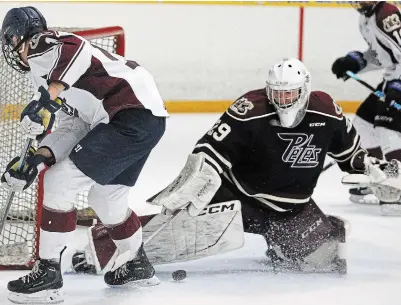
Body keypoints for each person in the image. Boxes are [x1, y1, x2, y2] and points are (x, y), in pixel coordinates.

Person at [74, 58, 400, 278]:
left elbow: (351, 154)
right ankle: (102, 250)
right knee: (180, 230)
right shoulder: (251, 108)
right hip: (239, 198)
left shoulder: (326, 111)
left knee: (324, 261)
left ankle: (311, 232)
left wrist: (373, 169)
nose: (284, 100)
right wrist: (200, 176)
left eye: (291, 94)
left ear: (305, 90)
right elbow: (210, 149)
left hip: (290, 208)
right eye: (278, 93)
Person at [0, 6, 168, 304]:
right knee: (105, 197)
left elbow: (77, 47)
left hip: (129, 115)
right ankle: (137, 264)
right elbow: (71, 126)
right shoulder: (41, 74)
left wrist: (47, 96)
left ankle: (48, 275)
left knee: (60, 182)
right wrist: (36, 161)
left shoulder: (45, 46)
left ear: (17, 38)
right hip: (142, 120)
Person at [331, 1, 401, 214]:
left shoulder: (387, 15)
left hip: (398, 82)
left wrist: (398, 88)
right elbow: (385, 56)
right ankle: (379, 178)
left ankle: (396, 187)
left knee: (386, 129)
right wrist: (358, 62)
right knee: (362, 124)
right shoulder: (366, 18)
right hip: (392, 80)